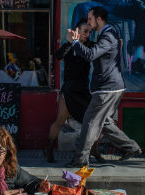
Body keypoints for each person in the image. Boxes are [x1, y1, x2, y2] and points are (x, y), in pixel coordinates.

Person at [65, 6, 142, 168]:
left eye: (90, 19)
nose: (88, 22)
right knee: (104, 122)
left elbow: (90, 55)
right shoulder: (106, 34)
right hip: (110, 86)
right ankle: (131, 148)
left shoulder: (107, 35)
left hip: (107, 88)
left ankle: (80, 158)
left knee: (90, 122)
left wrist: (76, 42)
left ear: (99, 19)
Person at [44, 18, 105, 163]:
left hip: (83, 90)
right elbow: (58, 56)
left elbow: (102, 51)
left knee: (94, 121)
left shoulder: (90, 45)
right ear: (77, 30)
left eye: (89, 32)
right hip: (69, 90)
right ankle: (48, 149)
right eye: (85, 31)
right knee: (60, 120)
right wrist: (70, 42)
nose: (87, 34)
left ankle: (94, 150)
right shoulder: (69, 45)